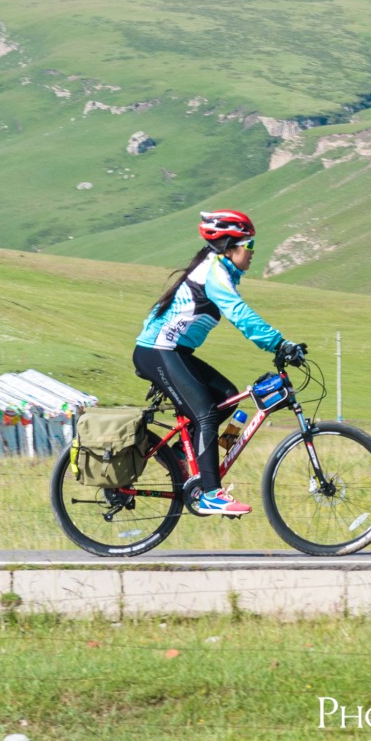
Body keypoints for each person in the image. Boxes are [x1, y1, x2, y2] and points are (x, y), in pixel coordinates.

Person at [133, 209, 305, 515]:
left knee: (228, 397)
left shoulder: (217, 269)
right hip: (159, 351)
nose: (253, 253)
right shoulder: (214, 271)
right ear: (229, 245)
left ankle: (180, 460)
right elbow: (238, 313)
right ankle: (211, 492)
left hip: (174, 352)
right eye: (249, 246)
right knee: (207, 415)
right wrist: (279, 344)